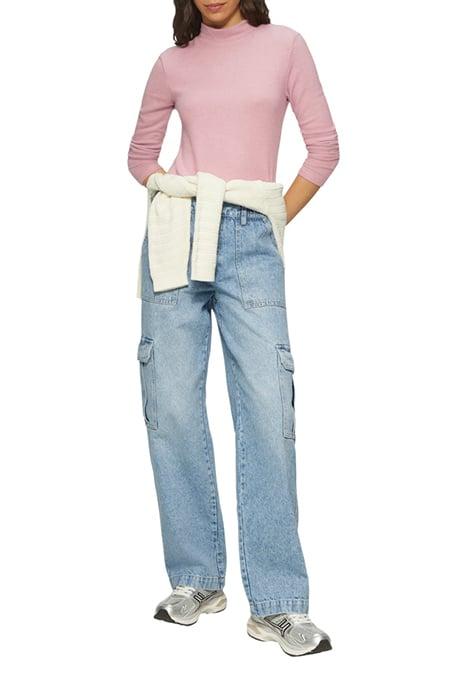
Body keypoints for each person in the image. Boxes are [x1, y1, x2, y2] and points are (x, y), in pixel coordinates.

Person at [127, 0, 339, 657]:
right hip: (174, 230)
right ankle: (196, 579)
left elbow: (324, 149)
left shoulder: (285, 45)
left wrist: (269, 218)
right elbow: (139, 156)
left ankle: (277, 603)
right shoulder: (171, 61)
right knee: (171, 407)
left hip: (250, 231)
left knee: (268, 411)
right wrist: (171, 195)